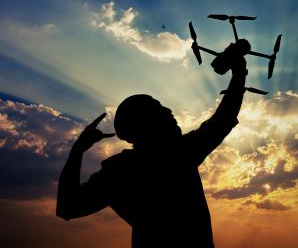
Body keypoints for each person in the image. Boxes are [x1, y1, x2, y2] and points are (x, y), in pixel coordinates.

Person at [56, 53, 248, 247]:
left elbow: (67, 207)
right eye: (158, 109)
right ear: (146, 124)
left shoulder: (117, 171)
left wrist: (78, 150)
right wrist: (239, 74)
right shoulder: (177, 154)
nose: (169, 111)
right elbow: (222, 120)